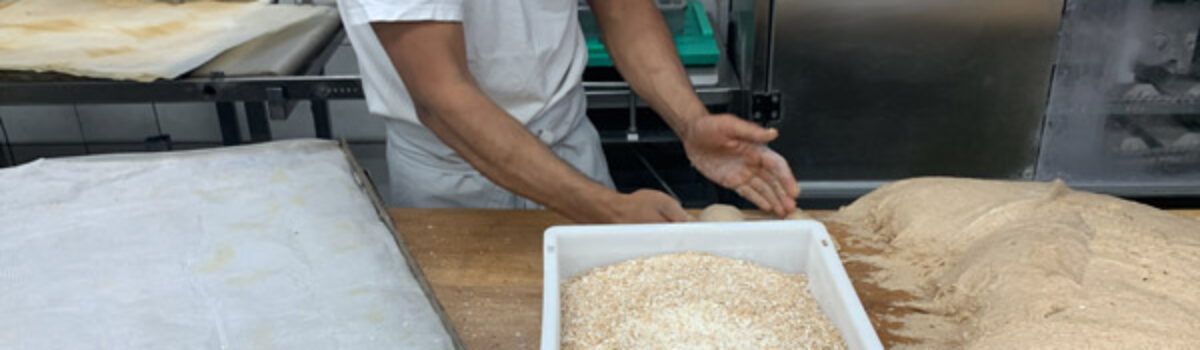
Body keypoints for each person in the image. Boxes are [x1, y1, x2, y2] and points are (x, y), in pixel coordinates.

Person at [337, 0, 798, 223]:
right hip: (451, 172)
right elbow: (442, 96)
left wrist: (690, 120)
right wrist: (609, 210)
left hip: (569, 141)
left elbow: (622, 10)